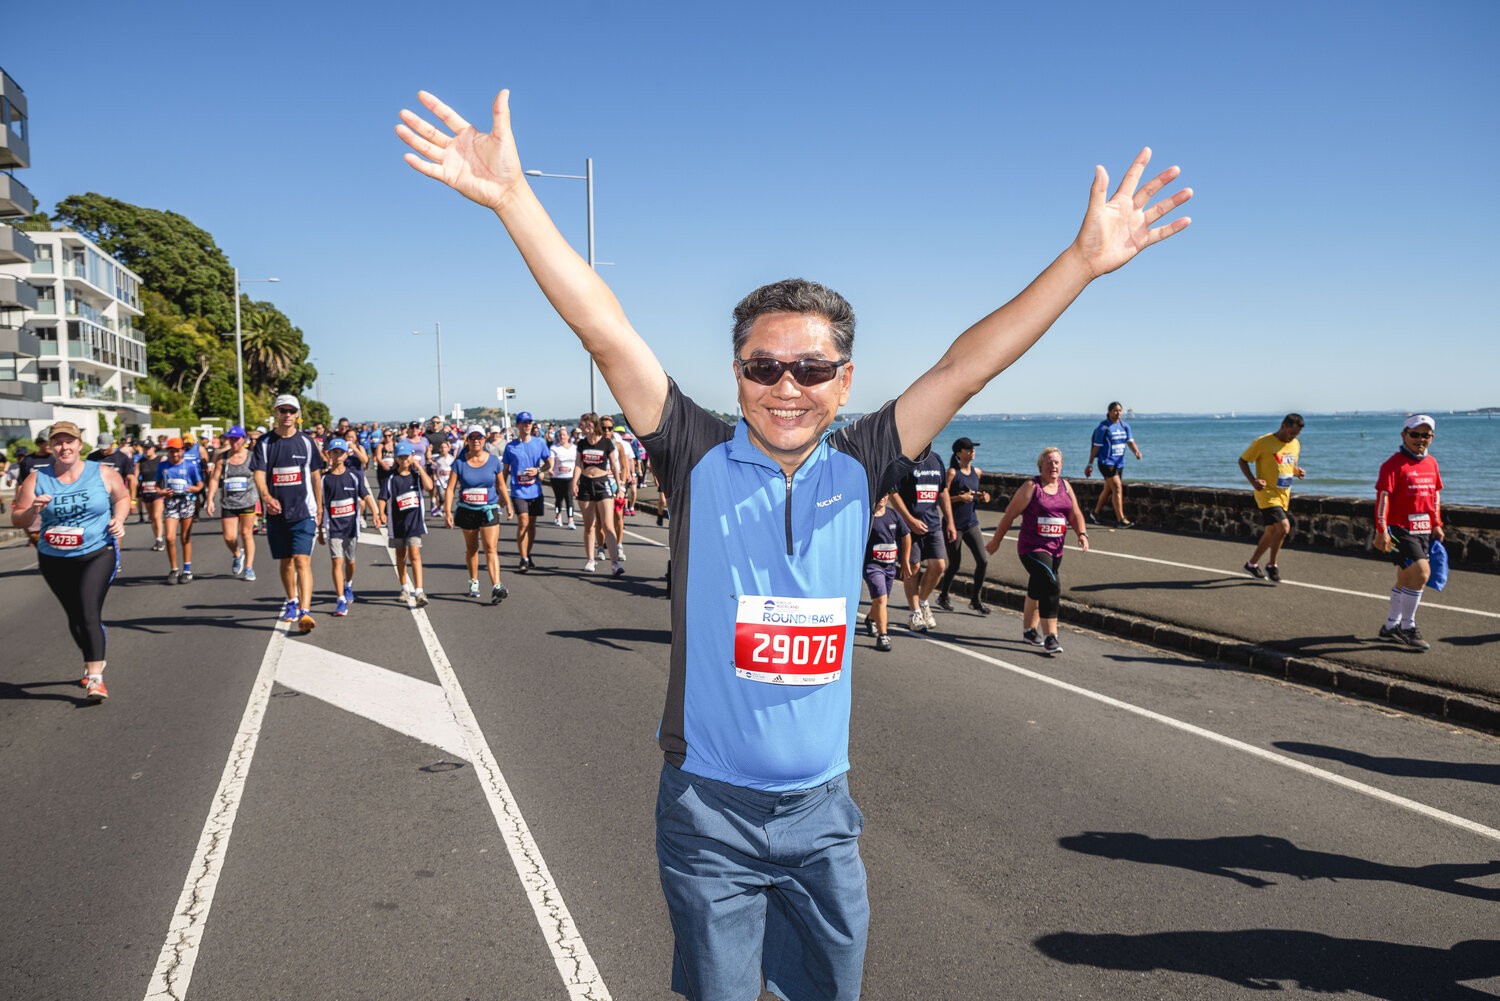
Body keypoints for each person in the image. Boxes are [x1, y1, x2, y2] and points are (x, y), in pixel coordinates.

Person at [399, 85, 1189, 1000]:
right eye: (763, 367)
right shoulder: (693, 454)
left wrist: (1082, 262)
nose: (787, 386)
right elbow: (604, 328)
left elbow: (966, 365)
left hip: (824, 815)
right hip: (709, 812)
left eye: (811, 368)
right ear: (735, 374)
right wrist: (514, 201)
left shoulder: (864, 459)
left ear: (844, 378)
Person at [10, 421, 130, 700]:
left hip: (97, 551)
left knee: (88, 610)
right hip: (54, 558)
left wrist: (119, 519)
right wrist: (34, 511)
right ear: (51, 447)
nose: (64, 447)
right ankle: (93, 657)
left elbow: (122, 497)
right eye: (58, 442)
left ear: (79, 444)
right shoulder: (37, 479)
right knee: (75, 617)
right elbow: (18, 517)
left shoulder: (102, 472)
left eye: (69, 441)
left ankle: (95, 677)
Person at [985, 447, 1089, 655]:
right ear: (1040, 465)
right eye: (1049, 462)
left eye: (1057, 462)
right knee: (1051, 583)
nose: (1054, 466)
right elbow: (1009, 515)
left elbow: (1075, 513)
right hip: (1031, 547)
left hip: (1055, 549)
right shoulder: (1031, 487)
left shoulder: (1065, 486)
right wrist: (996, 541)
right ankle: (1051, 636)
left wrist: (1082, 534)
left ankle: (1029, 630)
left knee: (1038, 586)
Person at [251, 394, 325, 632]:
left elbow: (315, 476)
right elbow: (259, 474)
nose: (287, 415)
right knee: (286, 562)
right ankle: (291, 600)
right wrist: (266, 496)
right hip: (276, 513)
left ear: (297, 414)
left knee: (302, 560)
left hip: (304, 511)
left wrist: (320, 507)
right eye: (283, 410)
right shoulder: (265, 443)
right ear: (276, 413)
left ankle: (305, 611)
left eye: (292, 411)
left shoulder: (306, 442)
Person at [1374, 415, 1444, 651]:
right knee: (1422, 573)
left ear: (1431, 438)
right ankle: (1407, 627)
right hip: (1398, 529)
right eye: (1415, 434)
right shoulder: (1393, 465)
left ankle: (1390, 626)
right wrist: (1381, 530)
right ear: (1403, 435)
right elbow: (1383, 499)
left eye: (1426, 435)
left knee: (1405, 578)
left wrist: (1437, 523)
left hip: (1422, 529)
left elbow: (1434, 495)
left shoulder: (1432, 463)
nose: (1420, 439)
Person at [445, 425, 513, 602]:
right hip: (467, 510)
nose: (476, 440)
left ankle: (496, 585)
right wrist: (447, 511)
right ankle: (474, 580)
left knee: (491, 548)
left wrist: (509, 504)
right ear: (467, 440)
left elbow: (500, 485)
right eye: (472, 437)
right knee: (472, 549)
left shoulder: (493, 461)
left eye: (480, 437)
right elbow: (451, 488)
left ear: (484, 440)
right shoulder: (459, 462)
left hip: (488, 509)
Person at [1237, 413, 1307, 583]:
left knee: (1271, 532)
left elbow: (1288, 464)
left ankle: (1252, 564)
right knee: (1283, 527)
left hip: (1284, 494)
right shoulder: (1263, 442)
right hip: (1267, 494)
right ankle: (1272, 565)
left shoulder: (1295, 444)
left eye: (1296, 434)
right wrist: (1254, 481)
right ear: (1283, 425)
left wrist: (1297, 471)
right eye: (1291, 433)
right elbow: (1243, 460)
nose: (1293, 437)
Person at [891, 446, 952, 632]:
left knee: (939, 566)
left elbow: (942, 491)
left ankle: (924, 602)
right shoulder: (904, 460)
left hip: (932, 524)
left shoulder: (936, 459)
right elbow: (893, 492)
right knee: (913, 567)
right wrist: (909, 520)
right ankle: (915, 612)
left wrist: (950, 521)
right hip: (909, 526)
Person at [320, 438, 381, 616]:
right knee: (336, 561)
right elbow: (320, 506)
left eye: (341, 452)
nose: (338, 456)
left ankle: (348, 585)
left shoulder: (353, 476)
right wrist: (320, 530)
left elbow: (366, 495)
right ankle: (340, 600)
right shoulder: (324, 480)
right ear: (329, 455)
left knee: (350, 561)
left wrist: (376, 514)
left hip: (351, 527)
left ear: (347, 454)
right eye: (335, 452)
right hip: (333, 528)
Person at [936, 437, 992, 614]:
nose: (972, 451)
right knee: (954, 564)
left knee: (983, 560)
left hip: (971, 523)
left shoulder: (977, 472)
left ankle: (976, 599)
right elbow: (942, 498)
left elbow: (975, 494)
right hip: (954, 524)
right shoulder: (952, 473)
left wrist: (983, 497)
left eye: (973, 448)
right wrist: (960, 498)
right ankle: (943, 595)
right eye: (968, 449)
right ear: (959, 452)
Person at [379, 438, 434, 605]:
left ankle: (419, 591)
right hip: (397, 524)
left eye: (407, 456)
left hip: (414, 522)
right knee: (401, 556)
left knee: (415, 554)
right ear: (396, 458)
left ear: (412, 456)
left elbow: (429, 486)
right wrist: (381, 513)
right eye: (401, 457)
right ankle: (404, 587)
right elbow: (383, 497)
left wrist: (419, 468)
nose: (404, 460)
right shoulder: (391, 477)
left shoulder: (416, 476)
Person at [571, 411, 623, 575]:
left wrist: (620, 486)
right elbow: (579, 464)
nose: (584, 427)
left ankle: (614, 563)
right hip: (586, 484)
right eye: (582, 424)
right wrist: (574, 482)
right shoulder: (582, 443)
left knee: (608, 525)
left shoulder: (606, 443)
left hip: (602, 483)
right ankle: (591, 560)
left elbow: (614, 465)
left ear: (594, 425)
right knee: (589, 525)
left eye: (587, 424)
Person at [205, 426, 259, 581]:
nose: (234, 442)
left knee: (246, 534)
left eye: (237, 439)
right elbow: (215, 479)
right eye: (232, 439)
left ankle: (249, 567)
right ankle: (237, 554)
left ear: (244, 440)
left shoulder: (252, 457)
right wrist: (210, 499)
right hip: (229, 502)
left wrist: (265, 496)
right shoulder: (222, 458)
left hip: (248, 500)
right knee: (229, 537)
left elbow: (259, 477)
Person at [862, 492, 912, 653]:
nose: (883, 497)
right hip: (872, 566)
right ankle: (883, 636)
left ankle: (871, 618)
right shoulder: (866, 517)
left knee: (880, 600)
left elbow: (906, 535)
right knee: (881, 598)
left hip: (890, 566)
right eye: (880, 494)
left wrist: (904, 561)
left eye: (886, 494)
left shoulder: (893, 515)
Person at [503, 411, 551, 571]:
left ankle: (527, 553)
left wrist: (539, 470)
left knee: (531, 525)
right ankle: (523, 558)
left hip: (535, 491)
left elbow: (549, 462)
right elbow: (505, 470)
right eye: (524, 423)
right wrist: (501, 492)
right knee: (523, 522)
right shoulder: (510, 447)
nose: (527, 425)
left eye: (529, 422)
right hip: (518, 491)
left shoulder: (540, 443)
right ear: (518, 425)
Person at [1083, 401, 1142, 526]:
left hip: (1119, 463)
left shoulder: (1124, 426)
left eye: (1120, 410)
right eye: (1115, 410)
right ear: (1109, 412)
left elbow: (1130, 441)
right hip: (1106, 462)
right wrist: (1090, 464)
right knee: (1117, 487)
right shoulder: (1103, 428)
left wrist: (1136, 451)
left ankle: (1095, 513)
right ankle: (1121, 519)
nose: (1118, 413)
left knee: (1108, 489)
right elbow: (1096, 447)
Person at [157, 437, 204, 583]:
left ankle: (187, 570)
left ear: (182, 450)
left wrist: (193, 489)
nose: (175, 455)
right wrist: (162, 492)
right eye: (171, 452)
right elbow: (157, 487)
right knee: (170, 537)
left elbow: (200, 485)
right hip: (171, 502)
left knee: (185, 537)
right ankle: (174, 569)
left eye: (177, 451)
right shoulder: (163, 466)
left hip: (187, 501)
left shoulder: (189, 466)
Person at [549, 425, 578, 529]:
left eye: (564, 435)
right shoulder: (554, 448)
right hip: (557, 477)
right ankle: (558, 516)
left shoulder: (574, 448)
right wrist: (551, 469)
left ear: (568, 436)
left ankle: (570, 520)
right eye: (560, 435)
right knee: (559, 498)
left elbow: (578, 462)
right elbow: (552, 460)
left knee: (569, 498)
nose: (562, 437)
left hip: (570, 477)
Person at [135, 442, 165, 542]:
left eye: (149, 448)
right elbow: (135, 478)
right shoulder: (140, 462)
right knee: (152, 518)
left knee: (157, 516)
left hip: (158, 492)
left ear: (153, 449)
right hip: (146, 492)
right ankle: (157, 538)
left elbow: (167, 474)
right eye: (145, 448)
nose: (147, 450)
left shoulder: (160, 460)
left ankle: (160, 539)